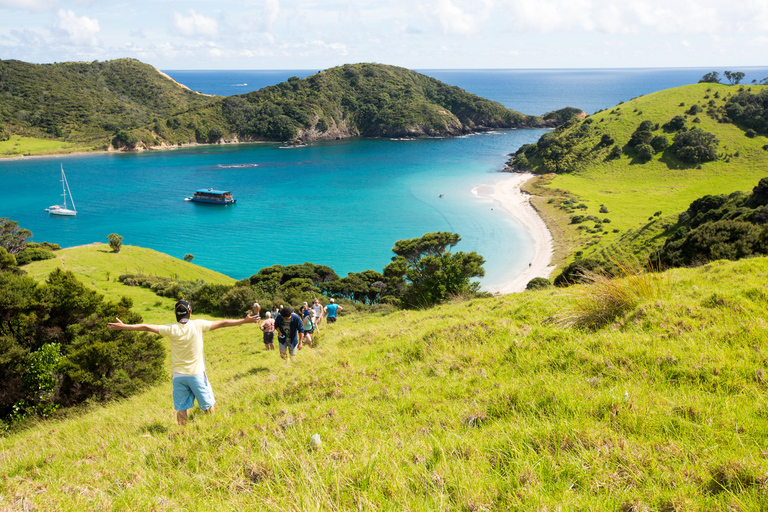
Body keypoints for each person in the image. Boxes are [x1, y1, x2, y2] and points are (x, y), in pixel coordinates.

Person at [107, 299, 260, 426]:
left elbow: (146, 327)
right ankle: (213, 428)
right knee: (207, 406)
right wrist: (244, 320)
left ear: (175, 313)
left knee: (181, 409)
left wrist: (124, 326)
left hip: (178, 377)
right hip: (196, 374)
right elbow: (223, 323)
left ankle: (182, 434)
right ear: (190, 311)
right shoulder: (198, 325)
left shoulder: (170, 329)